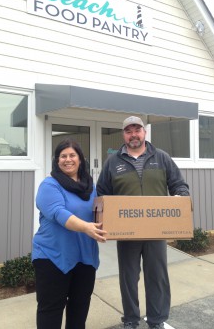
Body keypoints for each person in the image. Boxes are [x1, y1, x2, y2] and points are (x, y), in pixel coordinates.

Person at [97, 116, 190, 329]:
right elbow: (102, 193)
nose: (133, 135)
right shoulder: (113, 162)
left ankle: (156, 320)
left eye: (137, 130)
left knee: (157, 277)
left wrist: (179, 198)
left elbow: (179, 185)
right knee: (128, 279)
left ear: (144, 132)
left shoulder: (162, 157)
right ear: (123, 135)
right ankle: (130, 319)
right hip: (127, 233)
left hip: (156, 231)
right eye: (128, 131)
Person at [32, 138, 107, 329]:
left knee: (79, 309)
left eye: (72, 155)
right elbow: (58, 213)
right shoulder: (49, 185)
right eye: (62, 156)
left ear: (80, 159)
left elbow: (103, 212)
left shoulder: (90, 187)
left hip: (85, 257)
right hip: (53, 257)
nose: (68, 159)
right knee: (51, 310)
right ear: (57, 161)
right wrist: (86, 227)